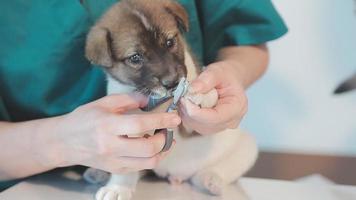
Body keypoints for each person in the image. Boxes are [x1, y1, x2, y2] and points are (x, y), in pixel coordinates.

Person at [0, 0, 287, 190]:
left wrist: (232, 73)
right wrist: (58, 142)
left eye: (171, 42)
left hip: (188, 179)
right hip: (41, 185)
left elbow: (246, 38)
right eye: (136, 59)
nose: (170, 74)